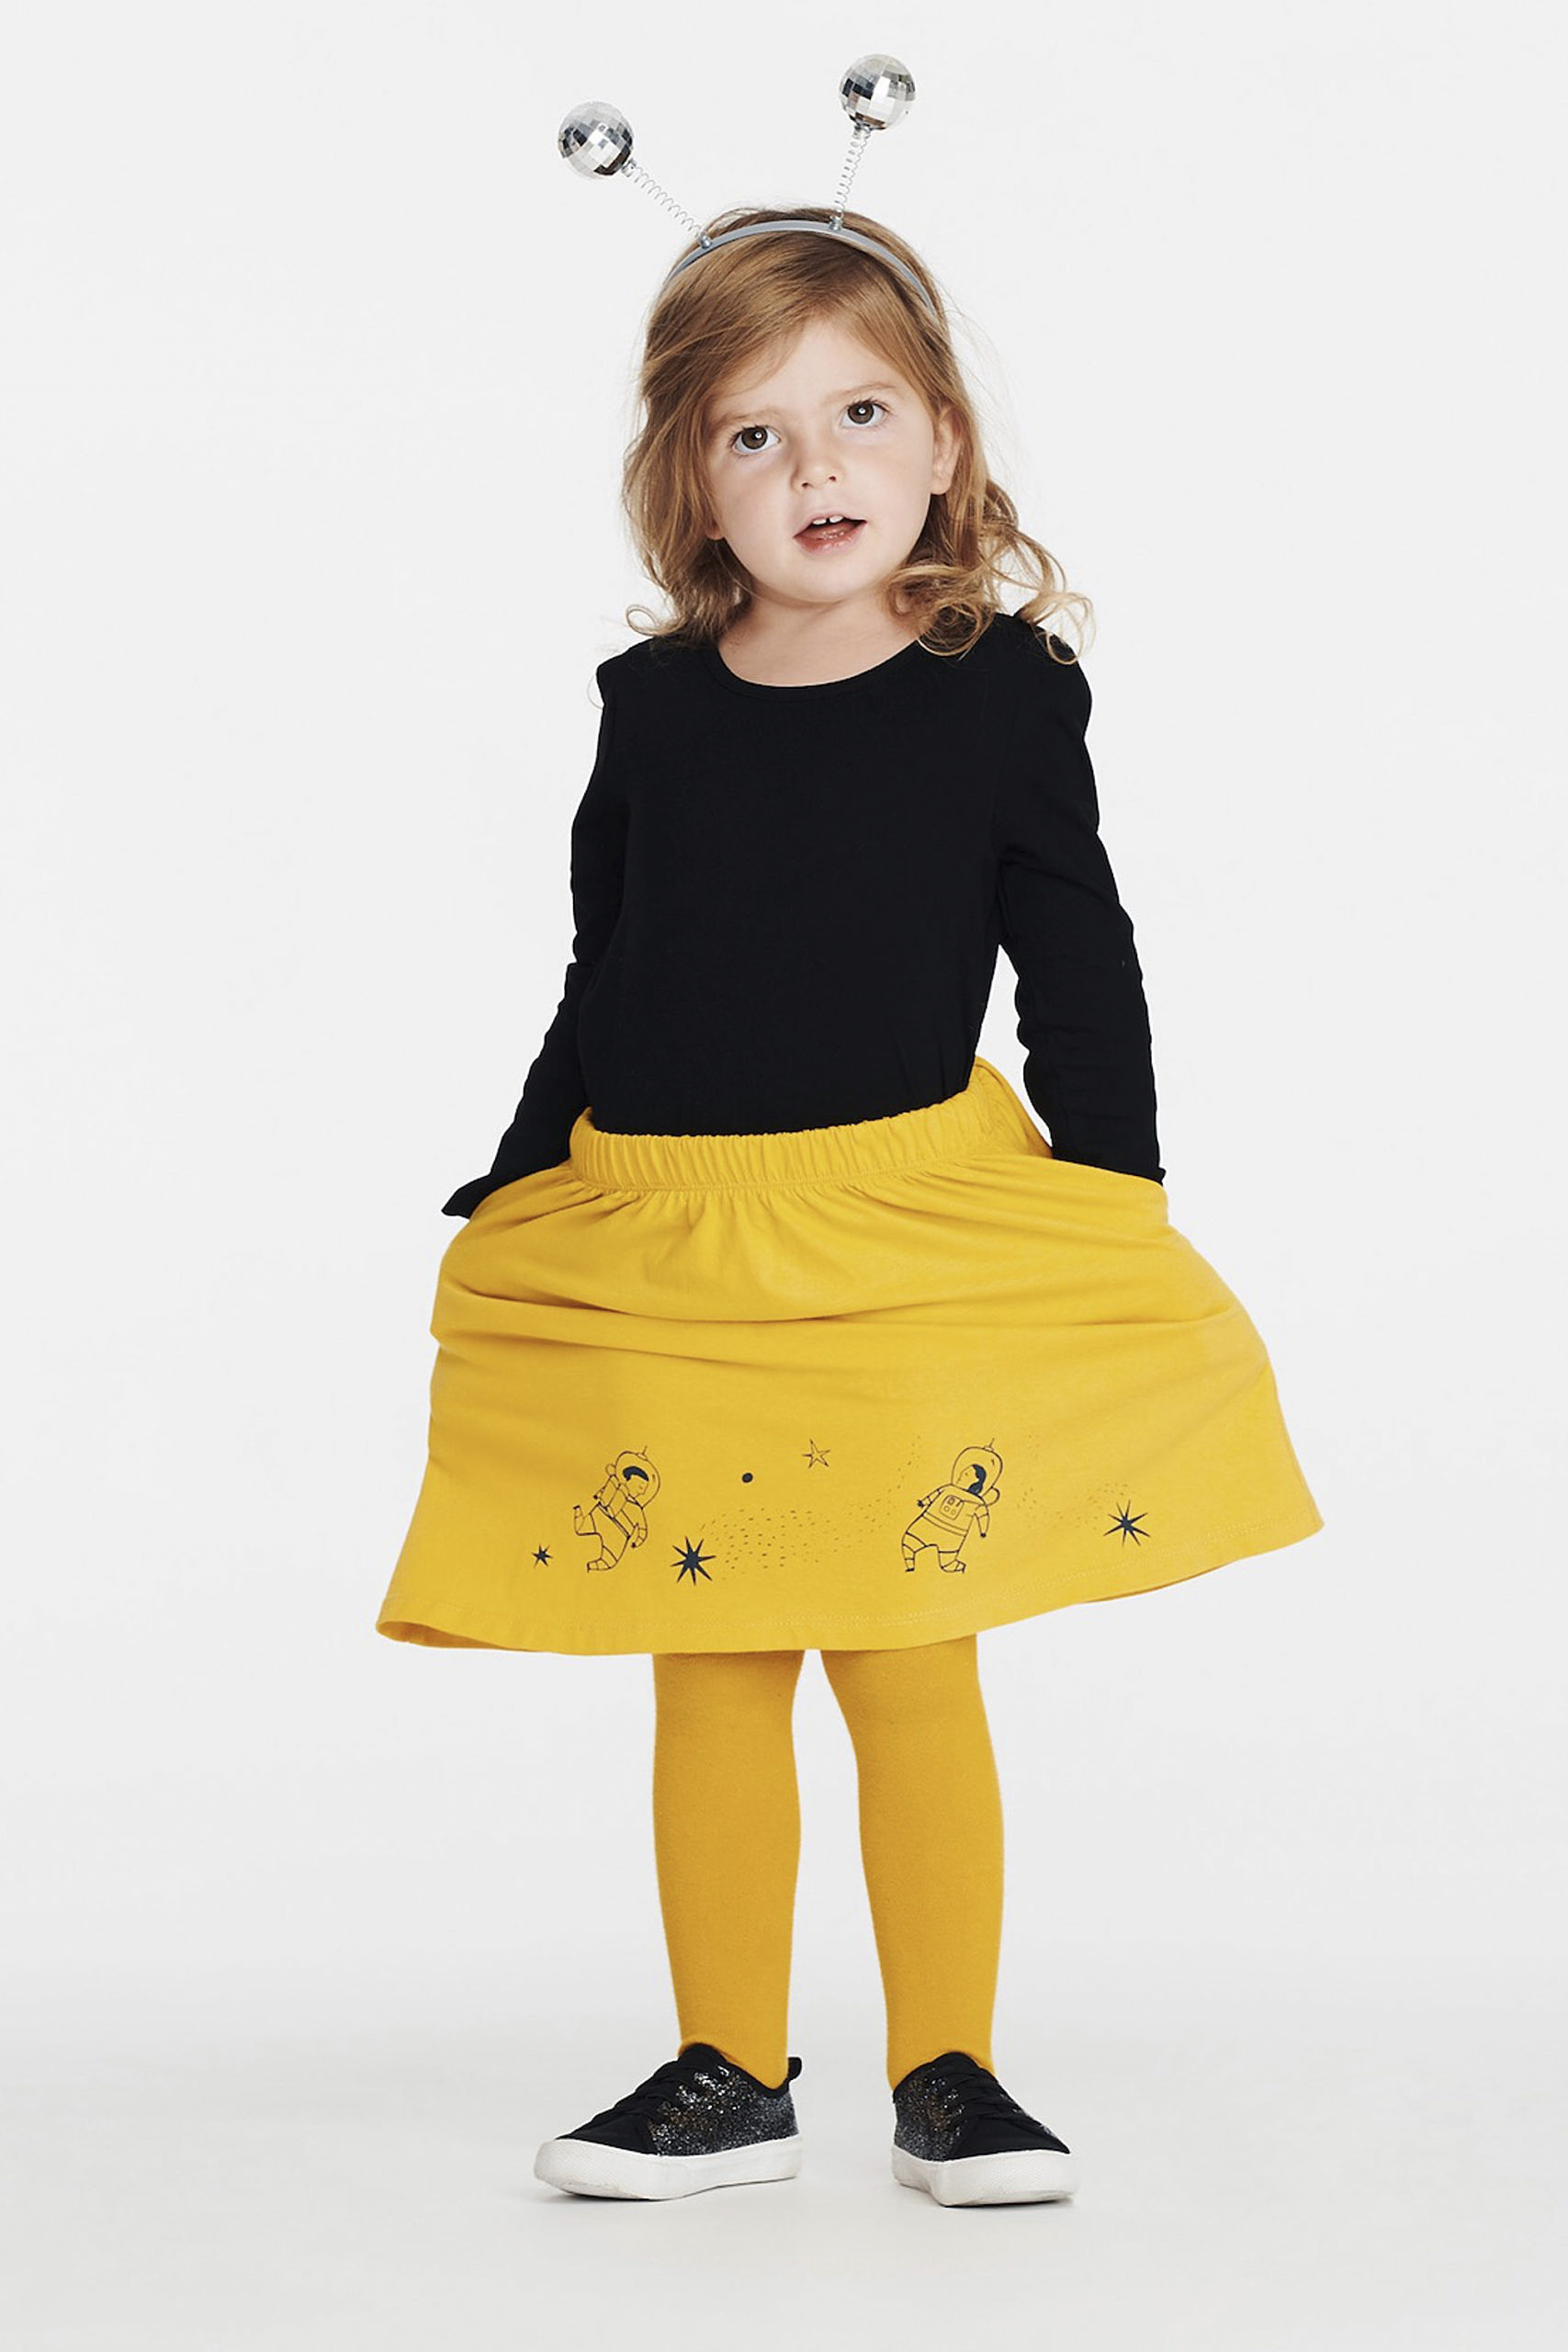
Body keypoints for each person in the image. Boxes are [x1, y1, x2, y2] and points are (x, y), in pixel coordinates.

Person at [374, 200, 1324, 2208]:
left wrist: (1113, 1183)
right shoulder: (652, 706)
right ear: (689, 480)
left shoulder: (997, 686)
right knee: (712, 1665)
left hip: (897, 1239)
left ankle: (949, 2070)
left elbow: (1076, 945)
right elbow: (608, 962)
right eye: (753, 430)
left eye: (860, 412)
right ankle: (728, 2069)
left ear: (944, 441)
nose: (814, 463)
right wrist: (525, 1166)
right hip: (674, 1239)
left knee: (906, 1655)